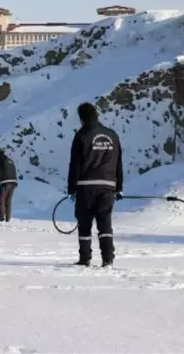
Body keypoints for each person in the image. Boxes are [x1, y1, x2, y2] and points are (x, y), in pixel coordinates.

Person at [67, 102, 124, 267]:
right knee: (105, 223)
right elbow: (118, 163)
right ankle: (108, 259)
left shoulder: (82, 135)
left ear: (82, 118)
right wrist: (119, 187)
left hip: (86, 186)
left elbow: (75, 164)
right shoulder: (112, 135)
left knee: (84, 224)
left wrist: (71, 189)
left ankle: (85, 258)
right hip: (107, 186)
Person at [0, 147, 18, 222]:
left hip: (5, 182)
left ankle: (1, 218)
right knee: (8, 201)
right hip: (13, 182)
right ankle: (8, 219)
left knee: (1, 200)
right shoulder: (10, 160)